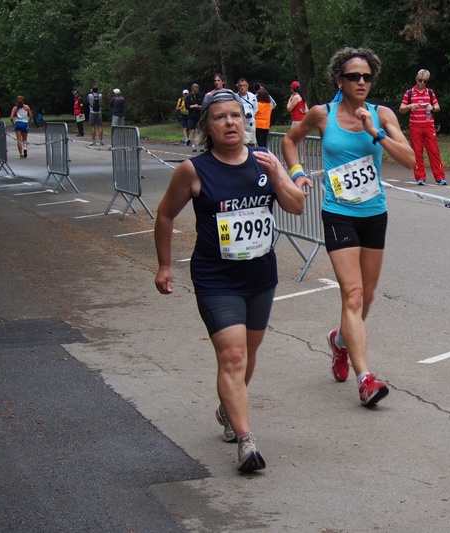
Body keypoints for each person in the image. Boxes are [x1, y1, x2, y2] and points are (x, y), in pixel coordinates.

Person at [154, 89, 305, 471]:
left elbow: (297, 206)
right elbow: (166, 215)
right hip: (215, 278)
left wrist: (277, 175)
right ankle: (246, 441)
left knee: (247, 356)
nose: (230, 122)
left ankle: (227, 407)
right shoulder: (194, 170)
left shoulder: (263, 162)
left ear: (246, 121)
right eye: (220, 117)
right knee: (233, 355)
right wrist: (165, 266)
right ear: (208, 125)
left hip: (260, 275)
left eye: (236, 115)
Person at [281, 47, 415, 407]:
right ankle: (365, 379)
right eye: (353, 76)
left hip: (374, 213)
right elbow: (289, 141)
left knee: (367, 297)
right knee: (353, 294)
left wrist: (376, 133)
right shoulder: (321, 114)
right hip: (338, 212)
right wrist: (296, 175)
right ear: (338, 79)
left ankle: (340, 343)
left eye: (367, 76)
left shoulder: (382, 115)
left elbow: (412, 161)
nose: (361, 82)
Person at [399, 69, 446, 185]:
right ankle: (420, 177)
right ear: (416, 79)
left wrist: (432, 108)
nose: (422, 83)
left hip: (429, 126)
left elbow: (437, 106)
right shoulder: (409, 93)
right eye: (420, 80)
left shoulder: (430, 92)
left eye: (425, 81)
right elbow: (401, 109)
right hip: (415, 126)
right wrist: (410, 106)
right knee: (417, 152)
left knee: (434, 152)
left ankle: (440, 177)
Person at [235, 79, 258, 146]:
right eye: (240, 85)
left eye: (244, 85)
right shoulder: (235, 97)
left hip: (250, 122)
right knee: (241, 142)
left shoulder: (252, 96)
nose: (242, 87)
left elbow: (255, 108)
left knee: (252, 142)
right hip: (240, 122)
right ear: (238, 87)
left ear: (247, 86)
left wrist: (251, 115)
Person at [186, 84, 203, 152]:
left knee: (200, 130)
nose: (196, 92)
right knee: (192, 131)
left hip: (199, 115)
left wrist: (199, 107)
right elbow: (187, 106)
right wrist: (193, 106)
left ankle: (201, 144)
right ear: (192, 90)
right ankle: (193, 145)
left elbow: (203, 104)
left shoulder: (201, 96)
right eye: (195, 91)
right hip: (192, 115)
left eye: (197, 90)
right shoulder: (188, 97)